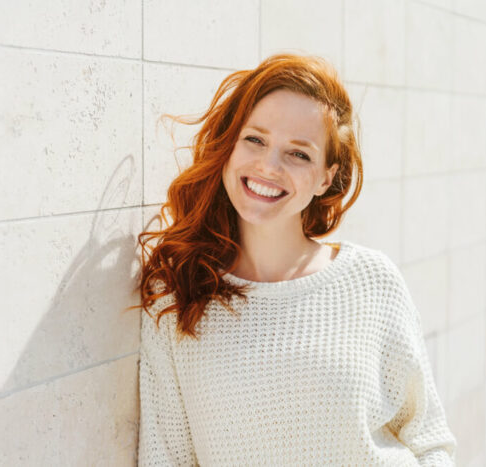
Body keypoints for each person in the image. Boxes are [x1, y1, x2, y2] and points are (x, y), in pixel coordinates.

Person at [131, 53, 458, 466]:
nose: (268, 166)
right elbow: (166, 457)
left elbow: (430, 440)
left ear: (325, 177)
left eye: (299, 154)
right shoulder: (178, 293)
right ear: (229, 146)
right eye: (255, 140)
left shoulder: (371, 280)